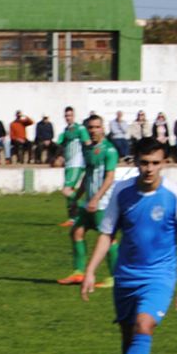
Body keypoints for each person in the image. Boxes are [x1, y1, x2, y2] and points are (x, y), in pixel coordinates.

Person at [80, 137, 177, 354]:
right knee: (127, 334)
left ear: (165, 163)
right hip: (125, 275)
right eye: (144, 163)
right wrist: (90, 270)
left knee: (144, 326)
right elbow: (107, 233)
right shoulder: (122, 192)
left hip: (160, 276)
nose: (149, 169)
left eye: (155, 163)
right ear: (135, 163)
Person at [59, 114, 120, 286]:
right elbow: (88, 176)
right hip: (89, 202)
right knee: (76, 232)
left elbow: (109, 178)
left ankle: (115, 278)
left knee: (108, 238)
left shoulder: (109, 150)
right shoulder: (88, 150)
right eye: (90, 128)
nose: (93, 131)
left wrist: (97, 198)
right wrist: (77, 197)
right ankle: (78, 273)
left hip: (103, 203)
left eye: (97, 127)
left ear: (103, 128)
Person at [56, 107, 90, 226]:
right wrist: (60, 156)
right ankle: (72, 219)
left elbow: (88, 143)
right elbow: (60, 145)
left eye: (70, 115)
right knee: (69, 192)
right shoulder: (66, 131)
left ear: (74, 116)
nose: (68, 117)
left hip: (77, 163)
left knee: (66, 190)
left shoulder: (80, 129)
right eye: (66, 116)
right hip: (69, 164)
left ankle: (87, 210)